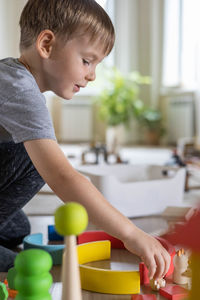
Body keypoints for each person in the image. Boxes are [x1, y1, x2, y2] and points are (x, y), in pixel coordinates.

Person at [0, 0, 170, 279]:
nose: (92, 75)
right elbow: (63, 177)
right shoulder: (19, 89)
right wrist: (131, 234)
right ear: (46, 45)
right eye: (87, 61)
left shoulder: (14, 79)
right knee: (33, 160)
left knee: (18, 229)